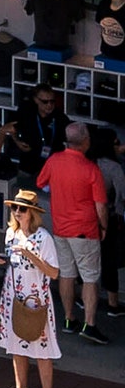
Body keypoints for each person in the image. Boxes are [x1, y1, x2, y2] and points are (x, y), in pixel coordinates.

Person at [37, 120, 112, 345]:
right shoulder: (91, 169)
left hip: (60, 227)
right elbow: (101, 205)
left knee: (66, 274)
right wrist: (104, 226)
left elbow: (41, 183)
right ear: (86, 142)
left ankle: (69, 319)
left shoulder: (54, 160)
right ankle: (90, 324)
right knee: (89, 277)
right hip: (85, 230)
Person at [0, 188, 64, 388]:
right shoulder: (11, 233)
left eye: (22, 209)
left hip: (37, 299)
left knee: (41, 348)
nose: (17, 212)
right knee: (17, 345)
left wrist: (30, 255)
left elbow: (54, 273)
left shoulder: (44, 238)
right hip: (13, 296)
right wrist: (2, 260)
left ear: (32, 213)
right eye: (14, 208)